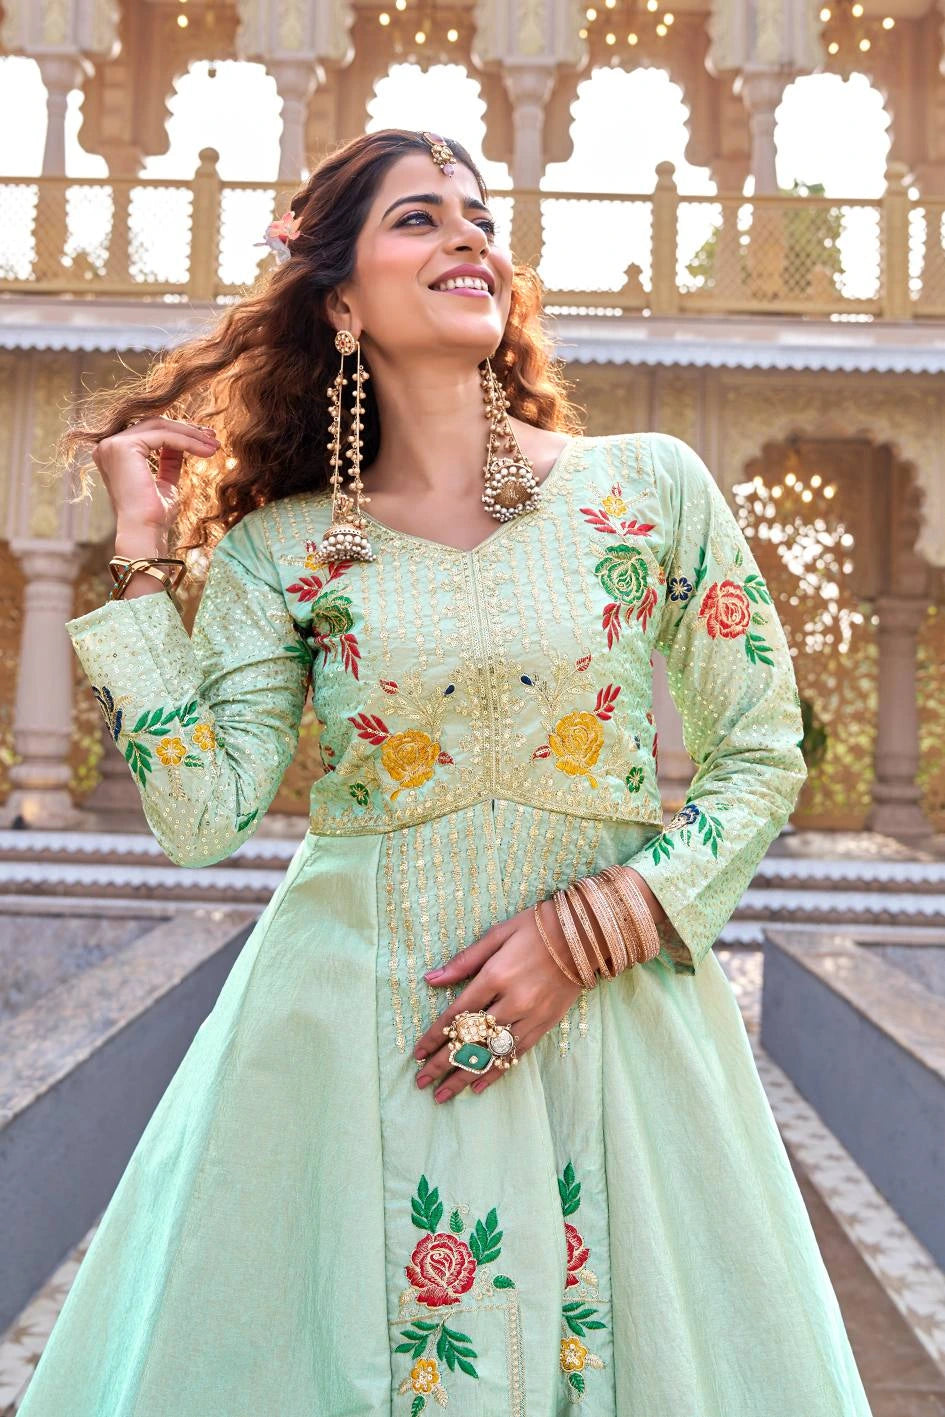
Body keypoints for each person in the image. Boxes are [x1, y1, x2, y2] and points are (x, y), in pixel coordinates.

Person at [17, 128, 872, 1416]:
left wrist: (595, 929)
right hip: (357, 1036)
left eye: (480, 216)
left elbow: (761, 753)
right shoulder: (285, 551)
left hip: (613, 1032)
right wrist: (143, 552)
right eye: (419, 219)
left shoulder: (646, 492)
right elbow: (200, 817)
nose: (469, 236)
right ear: (342, 300)